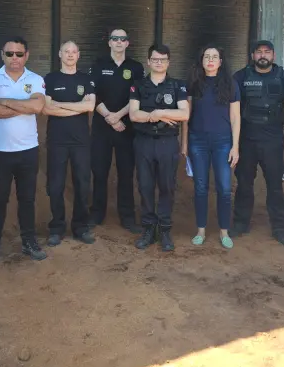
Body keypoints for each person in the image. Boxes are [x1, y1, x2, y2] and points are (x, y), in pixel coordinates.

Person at [0, 37, 46, 266]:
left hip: (28, 150)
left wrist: (5, 101)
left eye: (19, 54)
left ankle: (29, 241)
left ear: (26, 55)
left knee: (27, 199)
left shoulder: (35, 79)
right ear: (2, 54)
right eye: (10, 54)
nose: (14, 58)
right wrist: (24, 106)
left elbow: (38, 106)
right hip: (0, 151)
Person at [129, 44, 190, 252]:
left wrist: (158, 113)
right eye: (155, 59)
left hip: (167, 143)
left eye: (162, 60)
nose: (158, 63)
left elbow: (184, 114)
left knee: (167, 187)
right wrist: (155, 116)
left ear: (168, 62)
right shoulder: (138, 85)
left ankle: (164, 230)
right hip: (144, 142)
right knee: (145, 187)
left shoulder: (177, 86)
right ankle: (148, 229)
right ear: (148, 61)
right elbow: (133, 114)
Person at [231, 40, 284, 245]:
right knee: (244, 183)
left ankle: (279, 227)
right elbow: (231, 105)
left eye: (267, 52)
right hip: (246, 139)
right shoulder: (241, 77)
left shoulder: (283, 77)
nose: (263, 55)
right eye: (259, 52)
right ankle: (240, 223)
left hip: (273, 140)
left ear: (273, 55)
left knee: (275, 185)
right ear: (252, 56)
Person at [181, 44, 241, 249]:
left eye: (214, 57)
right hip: (198, 141)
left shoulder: (230, 84)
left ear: (221, 62)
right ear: (201, 61)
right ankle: (201, 230)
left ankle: (224, 232)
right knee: (200, 188)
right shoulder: (194, 83)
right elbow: (186, 116)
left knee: (224, 188)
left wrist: (235, 146)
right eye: (206, 56)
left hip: (223, 142)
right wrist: (184, 143)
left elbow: (235, 117)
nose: (210, 60)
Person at [89, 28, 145, 232]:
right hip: (101, 127)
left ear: (127, 43)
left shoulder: (136, 67)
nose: (119, 42)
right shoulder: (98, 65)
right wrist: (109, 117)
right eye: (115, 38)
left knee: (126, 173)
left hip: (126, 128)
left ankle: (127, 216)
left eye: (123, 39)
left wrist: (119, 116)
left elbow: (138, 97)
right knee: (99, 172)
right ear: (109, 43)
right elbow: (92, 95)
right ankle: (96, 214)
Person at [43, 40, 97, 246]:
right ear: (60, 54)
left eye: (74, 51)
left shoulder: (86, 79)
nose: (70, 54)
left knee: (82, 184)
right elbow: (47, 108)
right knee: (55, 185)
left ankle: (80, 227)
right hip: (57, 141)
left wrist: (60, 105)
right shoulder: (50, 78)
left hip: (81, 142)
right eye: (66, 51)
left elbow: (90, 107)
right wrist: (77, 106)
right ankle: (56, 227)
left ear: (78, 55)